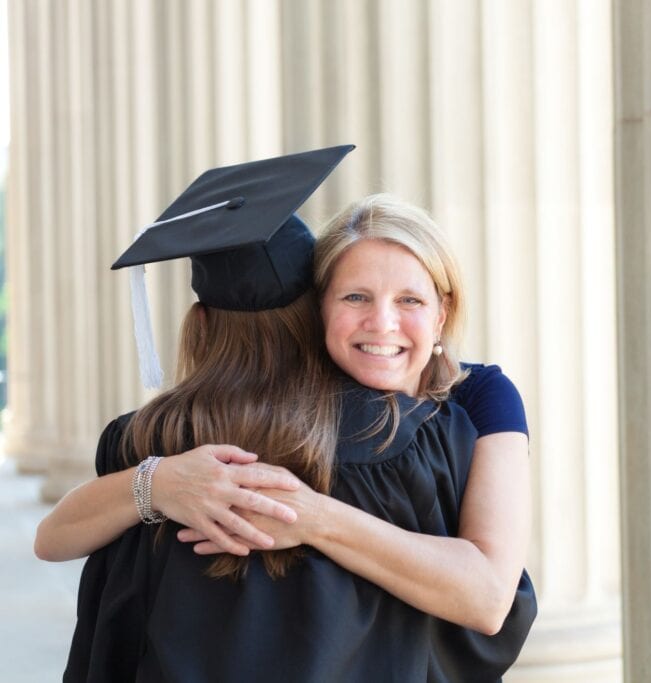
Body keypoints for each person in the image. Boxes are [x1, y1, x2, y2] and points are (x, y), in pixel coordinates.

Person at [35, 148, 535, 681]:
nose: (381, 323)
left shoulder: (469, 404)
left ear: (443, 312)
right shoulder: (411, 443)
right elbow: (52, 538)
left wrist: (312, 515)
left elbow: (486, 598)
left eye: (409, 300)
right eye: (356, 297)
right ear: (315, 312)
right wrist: (155, 483)